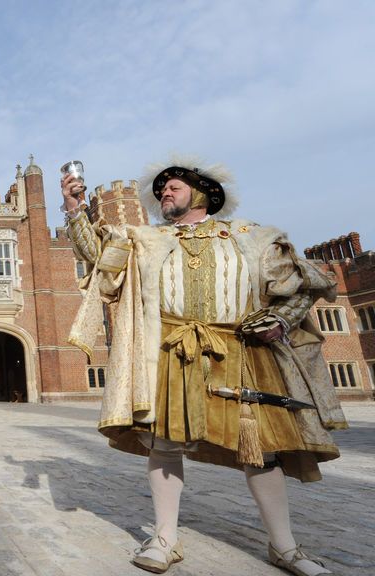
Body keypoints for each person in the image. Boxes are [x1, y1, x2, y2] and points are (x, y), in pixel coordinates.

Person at [64, 155, 347, 576]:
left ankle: (285, 547)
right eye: (161, 190)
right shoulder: (145, 239)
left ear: (201, 194)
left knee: (261, 452)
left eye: (173, 187)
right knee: (164, 445)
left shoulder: (251, 237)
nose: (164, 193)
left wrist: (280, 319)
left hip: (240, 350)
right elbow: (98, 255)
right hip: (171, 350)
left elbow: (304, 284)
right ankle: (164, 539)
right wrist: (73, 207)